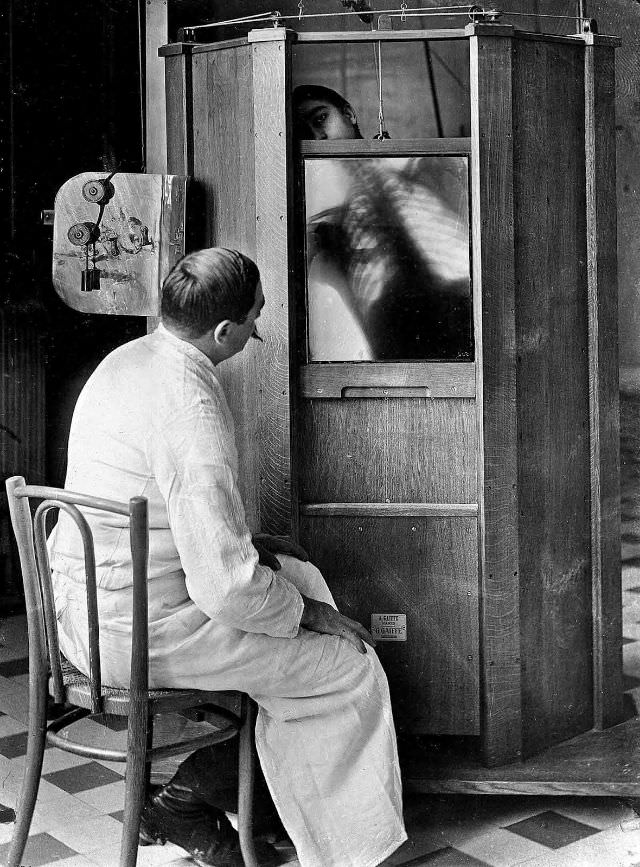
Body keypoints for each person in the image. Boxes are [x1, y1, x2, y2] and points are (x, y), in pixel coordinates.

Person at [48, 247, 407, 867]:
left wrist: (260, 555)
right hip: (142, 633)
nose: (257, 331)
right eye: (255, 320)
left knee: (299, 578)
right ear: (222, 331)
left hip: (89, 610)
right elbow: (225, 589)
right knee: (348, 666)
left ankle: (238, 801)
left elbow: (171, 521)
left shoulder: (126, 360)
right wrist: (309, 618)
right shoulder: (192, 405)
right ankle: (342, 848)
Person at [293, 84, 473, 363]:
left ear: (349, 114)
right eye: (306, 133)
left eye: (320, 119)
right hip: (392, 331)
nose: (319, 136)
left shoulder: (423, 167)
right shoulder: (325, 214)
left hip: (459, 307)